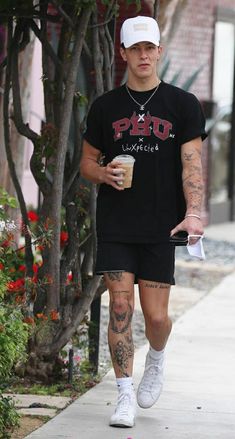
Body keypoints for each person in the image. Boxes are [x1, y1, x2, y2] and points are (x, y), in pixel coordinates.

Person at [80, 15, 207, 428]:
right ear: (123, 54)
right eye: (135, 49)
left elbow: (191, 162)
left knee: (155, 319)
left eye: (149, 48)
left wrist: (193, 212)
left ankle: (156, 358)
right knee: (119, 305)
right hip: (116, 222)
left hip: (160, 225)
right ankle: (123, 397)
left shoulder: (182, 105)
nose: (143, 55)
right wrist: (103, 173)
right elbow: (86, 164)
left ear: (159, 51)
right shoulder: (105, 108)